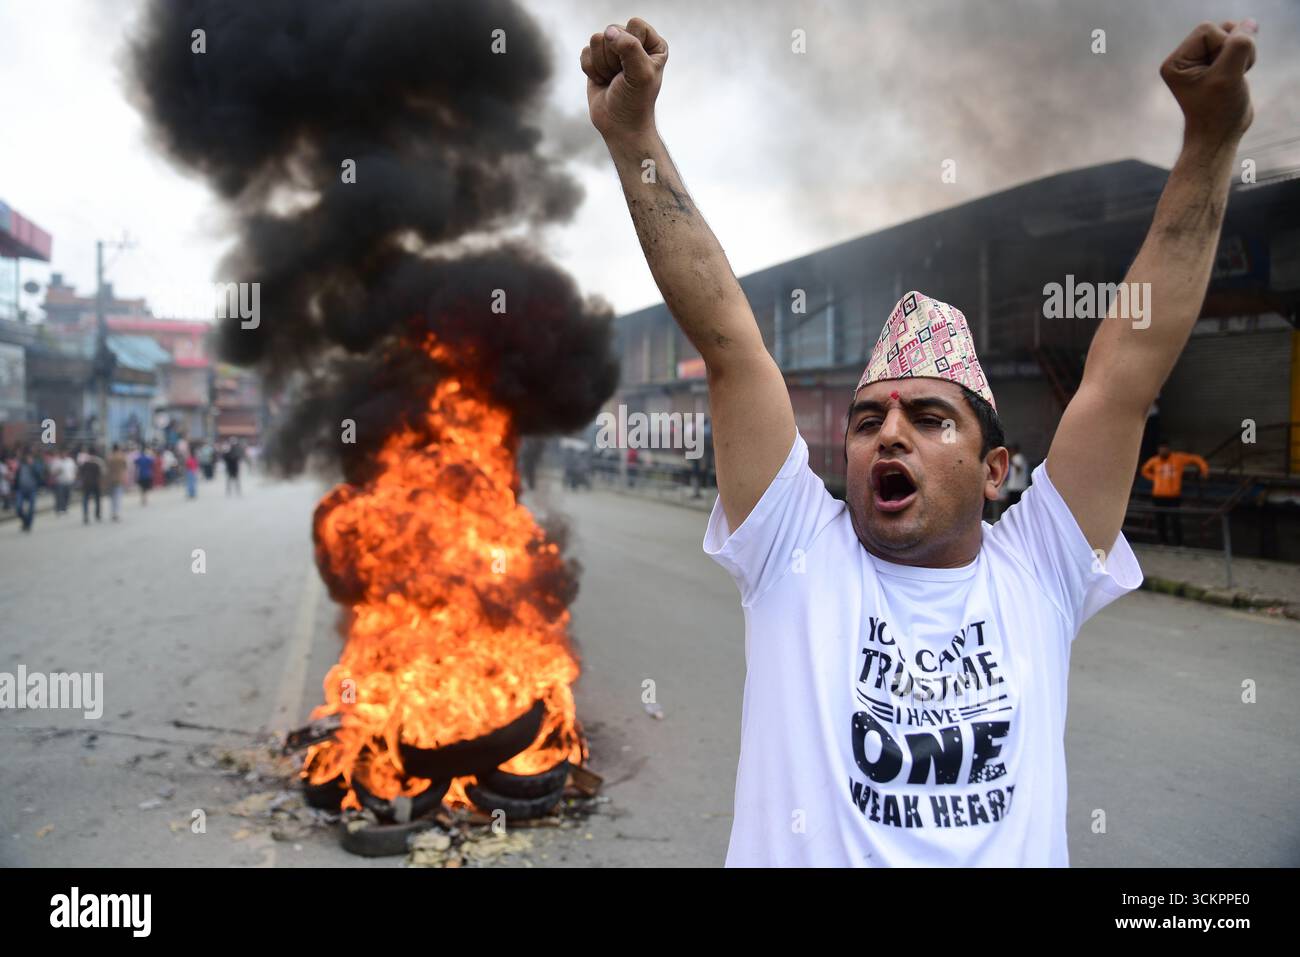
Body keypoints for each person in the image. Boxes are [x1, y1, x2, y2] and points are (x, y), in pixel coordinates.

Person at [583, 16, 1255, 866]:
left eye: (931, 418)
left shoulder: (1040, 568)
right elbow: (725, 336)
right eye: (869, 421)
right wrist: (634, 137)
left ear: (995, 469)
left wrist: (1211, 141)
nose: (888, 433)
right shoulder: (794, 548)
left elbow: (1126, 373)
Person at [1140, 441, 1209, 547]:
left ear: (1169, 449)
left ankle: (1179, 543)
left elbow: (1196, 459)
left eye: (1164, 448)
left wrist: (1204, 471)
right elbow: (1144, 470)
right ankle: (1162, 542)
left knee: (1175, 520)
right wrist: (1155, 478)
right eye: (1160, 449)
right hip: (1158, 496)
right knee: (1160, 520)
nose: (1162, 451)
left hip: (1173, 497)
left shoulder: (1178, 458)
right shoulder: (1154, 461)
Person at [13, 449, 40, 533]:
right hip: (21, 490)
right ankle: (25, 521)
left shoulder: (35, 466)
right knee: (18, 508)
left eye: (30, 457)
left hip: (32, 490)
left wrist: (33, 466)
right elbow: (16, 478)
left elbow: (39, 476)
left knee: (31, 509)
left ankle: (28, 525)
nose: (29, 459)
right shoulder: (20, 466)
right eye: (27, 457)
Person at [78, 446, 105, 524]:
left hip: (86, 483)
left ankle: (86, 515)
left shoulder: (84, 461)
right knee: (97, 500)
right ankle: (97, 514)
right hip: (96, 483)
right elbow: (102, 473)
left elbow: (80, 472)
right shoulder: (99, 461)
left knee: (85, 500)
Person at [106, 444, 128, 521]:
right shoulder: (121, 457)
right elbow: (125, 467)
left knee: (112, 498)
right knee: (118, 497)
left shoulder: (109, 457)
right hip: (119, 479)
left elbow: (107, 468)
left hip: (111, 479)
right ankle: (117, 513)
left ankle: (112, 513)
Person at [53, 448, 76, 514]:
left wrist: (73, 478)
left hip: (69, 481)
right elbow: (53, 472)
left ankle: (65, 508)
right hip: (60, 481)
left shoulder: (70, 461)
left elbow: (74, 470)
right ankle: (59, 509)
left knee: (67, 495)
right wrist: (58, 471)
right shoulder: (57, 461)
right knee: (60, 496)